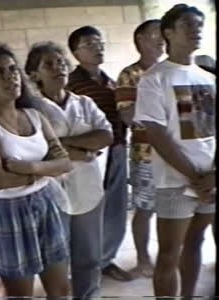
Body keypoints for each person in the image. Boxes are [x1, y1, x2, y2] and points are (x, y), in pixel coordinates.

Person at [0, 44, 73, 298]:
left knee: (61, 288)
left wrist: (31, 168)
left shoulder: (34, 114)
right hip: (9, 211)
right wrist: (47, 170)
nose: (10, 76)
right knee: (20, 293)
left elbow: (65, 162)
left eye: (13, 69)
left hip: (45, 203)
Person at [134, 4, 216, 298]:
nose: (196, 30)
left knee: (196, 242)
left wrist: (212, 176)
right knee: (169, 253)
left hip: (210, 179)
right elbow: (156, 135)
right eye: (187, 25)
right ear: (168, 33)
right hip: (175, 181)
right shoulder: (155, 78)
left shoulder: (208, 79)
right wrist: (196, 177)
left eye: (199, 25)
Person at [25, 41, 113, 299]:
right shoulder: (31, 109)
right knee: (56, 262)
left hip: (88, 189)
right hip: (51, 194)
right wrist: (84, 151)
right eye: (49, 65)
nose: (58, 68)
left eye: (61, 63)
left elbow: (105, 135)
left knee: (89, 257)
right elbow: (40, 150)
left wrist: (63, 144)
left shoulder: (84, 102)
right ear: (34, 74)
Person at [67, 25, 132, 281]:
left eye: (100, 43)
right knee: (88, 210)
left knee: (115, 208)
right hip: (88, 156)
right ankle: (83, 264)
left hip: (117, 149)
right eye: (90, 44)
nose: (98, 48)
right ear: (76, 51)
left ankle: (106, 260)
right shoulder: (73, 85)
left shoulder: (111, 81)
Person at [115, 19, 165, 278]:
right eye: (154, 34)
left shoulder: (172, 71)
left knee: (176, 208)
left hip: (176, 155)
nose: (161, 39)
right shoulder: (129, 75)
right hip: (146, 154)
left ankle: (171, 255)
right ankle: (144, 260)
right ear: (140, 40)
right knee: (144, 208)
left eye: (163, 33)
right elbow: (128, 117)